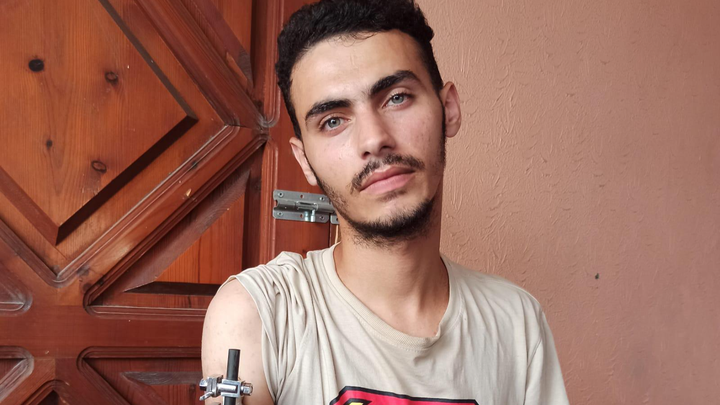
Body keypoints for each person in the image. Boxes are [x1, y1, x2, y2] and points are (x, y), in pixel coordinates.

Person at [202, 0, 570, 404]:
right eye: (333, 121)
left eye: (396, 98)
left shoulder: (516, 323)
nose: (374, 138)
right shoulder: (261, 312)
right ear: (304, 160)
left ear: (448, 109)